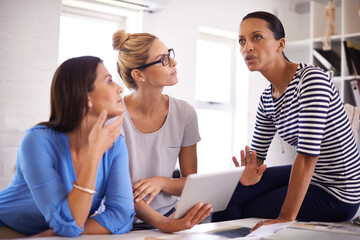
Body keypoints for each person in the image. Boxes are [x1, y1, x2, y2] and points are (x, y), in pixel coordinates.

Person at [212, 11, 360, 231]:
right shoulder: (266, 98)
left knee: (240, 206)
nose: (247, 47)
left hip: (336, 192)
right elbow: (257, 158)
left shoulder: (311, 80)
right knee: (224, 197)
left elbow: (308, 155)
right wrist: (249, 172)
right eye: (242, 40)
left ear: (280, 44)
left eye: (257, 37)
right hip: (311, 176)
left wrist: (285, 217)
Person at [0, 56, 135, 238]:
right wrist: (95, 153)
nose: (120, 89)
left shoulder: (115, 144)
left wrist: (53, 233)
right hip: (9, 230)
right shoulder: (37, 141)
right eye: (109, 81)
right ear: (86, 95)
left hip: (52, 236)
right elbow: (68, 226)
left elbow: (122, 215)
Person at [112, 30, 212, 233]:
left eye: (170, 55)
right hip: (121, 221)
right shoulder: (114, 117)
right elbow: (120, 190)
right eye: (163, 60)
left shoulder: (185, 113)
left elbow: (190, 183)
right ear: (139, 75)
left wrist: (162, 182)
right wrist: (164, 224)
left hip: (169, 218)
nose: (174, 63)